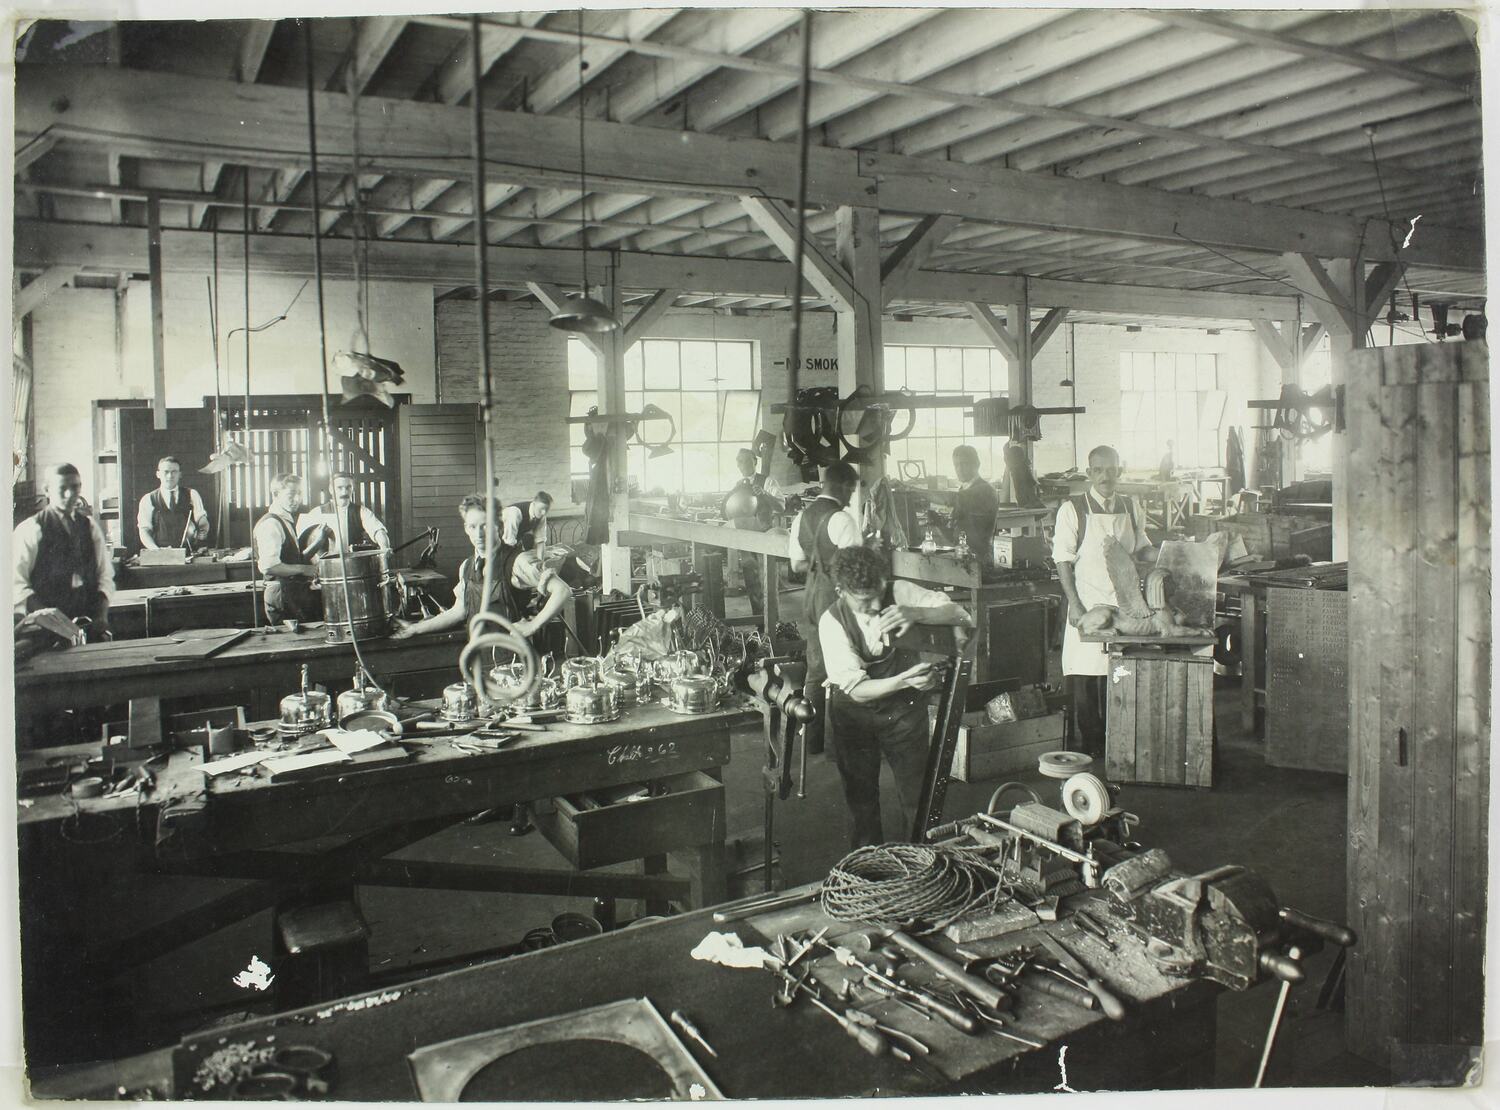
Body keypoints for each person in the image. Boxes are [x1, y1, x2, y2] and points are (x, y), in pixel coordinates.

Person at [819, 545, 971, 848]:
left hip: (903, 712)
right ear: (841, 591)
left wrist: (915, 612)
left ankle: (918, 864)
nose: (876, 604)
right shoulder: (832, 622)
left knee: (917, 795)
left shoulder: (899, 591)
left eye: (878, 592)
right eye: (865, 600)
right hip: (854, 713)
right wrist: (904, 680)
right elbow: (859, 691)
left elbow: (960, 614)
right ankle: (868, 869)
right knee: (861, 801)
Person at [1052, 445, 1155, 757]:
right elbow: (1062, 561)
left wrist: (1176, 553)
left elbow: (1142, 549)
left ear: (1119, 472)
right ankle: (1093, 747)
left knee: (1118, 674)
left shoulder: (1131, 506)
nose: (1105, 476)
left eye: (1111, 470)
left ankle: (1117, 744)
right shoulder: (1073, 509)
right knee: (1085, 677)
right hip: (1088, 603)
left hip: (1125, 607)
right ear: (1089, 474)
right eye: (1098, 470)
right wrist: (1076, 604)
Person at [391, 494, 570, 642]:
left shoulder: (517, 561)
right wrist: (416, 628)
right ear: (466, 529)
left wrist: (533, 625)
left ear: (498, 526)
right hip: (480, 660)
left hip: (514, 665)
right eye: (472, 526)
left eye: (485, 526)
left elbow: (562, 590)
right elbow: (459, 611)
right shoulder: (467, 567)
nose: (478, 534)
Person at [787, 461, 862, 752]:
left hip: (812, 595)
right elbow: (855, 570)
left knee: (817, 666)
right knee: (847, 664)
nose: (851, 496)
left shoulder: (801, 517)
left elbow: (796, 564)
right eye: (851, 490)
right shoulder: (842, 519)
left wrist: (821, 563)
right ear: (842, 485)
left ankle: (812, 740)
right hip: (837, 599)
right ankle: (840, 744)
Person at [13, 463, 114, 639]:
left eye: (75, 487)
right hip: (44, 631)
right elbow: (17, 585)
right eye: (62, 489)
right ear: (47, 490)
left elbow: (104, 576)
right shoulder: (30, 529)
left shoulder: (89, 527)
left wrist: (101, 615)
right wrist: (53, 621)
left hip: (86, 623)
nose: (70, 495)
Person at [723, 447, 784, 615]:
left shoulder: (768, 482)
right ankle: (760, 624)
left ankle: (773, 623)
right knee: (752, 582)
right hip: (747, 539)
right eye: (738, 461)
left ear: (755, 461)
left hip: (765, 537)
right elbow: (728, 510)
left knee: (768, 582)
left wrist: (765, 495)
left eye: (744, 460)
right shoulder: (738, 485)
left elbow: (781, 506)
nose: (740, 464)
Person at [254, 473, 320, 625]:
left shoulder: (286, 520)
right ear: (275, 494)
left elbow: (290, 558)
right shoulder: (271, 524)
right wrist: (305, 569)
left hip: (291, 592)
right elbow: (269, 567)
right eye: (291, 494)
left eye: (299, 493)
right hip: (281, 594)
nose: (297, 499)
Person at [298, 471, 391, 555]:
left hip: (353, 565)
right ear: (331, 489)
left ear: (353, 489)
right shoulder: (317, 512)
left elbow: (378, 531)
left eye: (348, 487)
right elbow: (302, 541)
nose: (344, 492)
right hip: (325, 566)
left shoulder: (361, 511)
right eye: (339, 488)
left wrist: (384, 547)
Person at [137, 455, 211, 551]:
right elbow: (144, 531)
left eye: (174, 472)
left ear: (180, 474)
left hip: (189, 553)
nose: (170, 476)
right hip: (161, 554)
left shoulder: (192, 494)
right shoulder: (148, 499)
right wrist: (155, 550)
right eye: (166, 472)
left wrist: (203, 531)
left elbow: (202, 519)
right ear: (158, 474)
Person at [950, 444, 1000, 560]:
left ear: (977, 464)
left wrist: (915, 491)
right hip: (964, 555)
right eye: (956, 465)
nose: (959, 469)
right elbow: (956, 531)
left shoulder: (985, 490)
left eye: (964, 464)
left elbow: (950, 498)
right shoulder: (964, 488)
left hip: (980, 558)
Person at [501, 491, 552, 556]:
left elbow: (540, 541)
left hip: (513, 543)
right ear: (534, 504)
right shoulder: (514, 513)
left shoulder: (541, 515)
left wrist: (541, 562)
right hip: (497, 542)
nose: (543, 513)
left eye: (546, 509)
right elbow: (509, 542)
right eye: (541, 509)